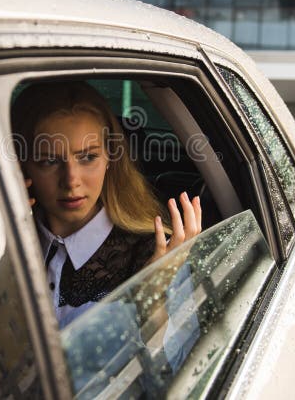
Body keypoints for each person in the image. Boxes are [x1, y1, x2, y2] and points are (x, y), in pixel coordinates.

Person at [11, 81, 202, 328]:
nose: (71, 181)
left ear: (110, 156)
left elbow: (176, 362)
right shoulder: (4, 239)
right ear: (22, 163)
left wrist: (152, 296)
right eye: (49, 161)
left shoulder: (156, 252)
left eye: (88, 157)